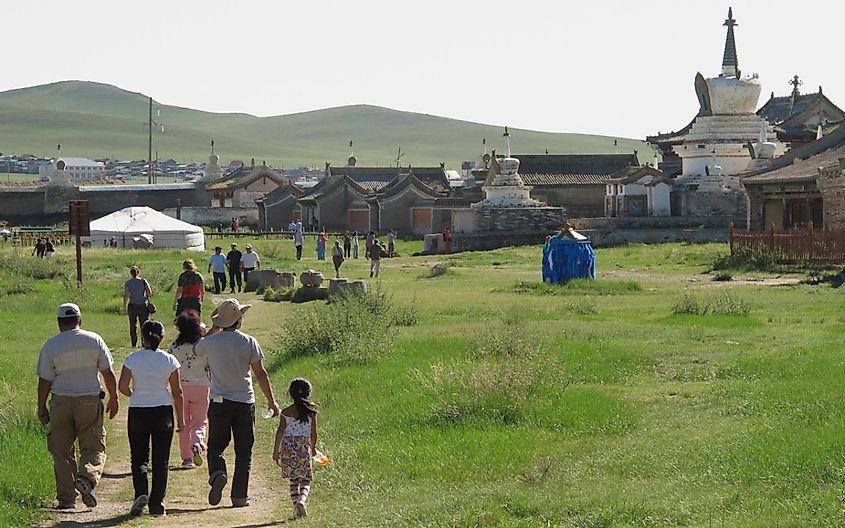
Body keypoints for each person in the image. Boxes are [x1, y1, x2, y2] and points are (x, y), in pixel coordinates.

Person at [196, 299, 279, 507]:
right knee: (244, 451)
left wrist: (214, 328)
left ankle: (218, 472)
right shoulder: (249, 341)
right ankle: (239, 496)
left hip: (219, 402)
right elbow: (260, 373)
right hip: (244, 401)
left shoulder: (210, 343)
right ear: (239, 320)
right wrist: (271, 401)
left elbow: (197, 349)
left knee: (215, 446)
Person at [37, 303, 119, 509]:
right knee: (93, 445)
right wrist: (114, 397)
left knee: (61, 451)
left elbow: (44, 380)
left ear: (59, 323)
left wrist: (41, 406)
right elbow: (107, 372)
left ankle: (66, 499)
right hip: (89, 400)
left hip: (61, 401)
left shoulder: (51, 345)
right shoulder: (94, 340)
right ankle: (87, 478)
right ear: (80, 321)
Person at [119, 320, 184, 517]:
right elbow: (177, 392)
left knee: (139, 457)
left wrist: (134, 394)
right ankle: (157, 504)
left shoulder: (132, 359)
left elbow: (122, 386)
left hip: (138, 409)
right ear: (162, 337)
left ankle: (140, 494)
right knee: (161, 459)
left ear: (142, 336)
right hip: (163, 410)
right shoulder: (169, 360)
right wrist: (180, 419)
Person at [167, 314, 210, 469]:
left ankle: (187, 458)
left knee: (183, 423)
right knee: (200, 421)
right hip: (201, 386)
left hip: (180, 387)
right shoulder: (203, 345)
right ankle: (197, 442)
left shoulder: (174, 346)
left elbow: (169, 365)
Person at [273, 378, 319, 520]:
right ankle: (302, 501)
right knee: (305, 479)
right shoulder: (311, 412)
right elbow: (313, 433)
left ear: (291, 394)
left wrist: (276, 451)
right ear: (308, 393)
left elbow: (280, 432)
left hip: (288, 447)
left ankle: (296, 507)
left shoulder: (286, 413)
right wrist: (313, 448)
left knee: (293, 480)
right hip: (303, 447)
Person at [123, 265, 152, 347]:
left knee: (133, 325)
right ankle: (144, 342)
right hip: (143, 305)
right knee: (144, 325)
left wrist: (124, 306)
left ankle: (134, 343)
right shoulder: (143, 281)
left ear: (131, 273)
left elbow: (126, 295)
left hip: (132, 306)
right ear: (138, 272)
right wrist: (145, 296)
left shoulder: (128, 283)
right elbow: (149, 292)